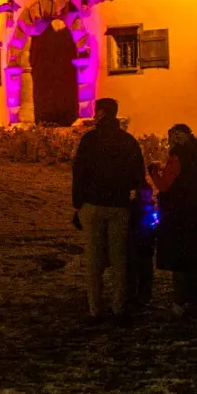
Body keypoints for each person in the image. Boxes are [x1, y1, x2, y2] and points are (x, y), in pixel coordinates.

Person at [70, 98, 145, 321]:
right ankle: (118, 305)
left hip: (92, 204)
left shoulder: (90, 140)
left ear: (101, 113)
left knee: (94, 259)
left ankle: (95, 307)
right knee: (119, 258)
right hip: (119, 205)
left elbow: (79, 172)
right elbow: (138, 175)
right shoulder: (128, 141)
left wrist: (78, 203)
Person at [149, 123, 197, 318]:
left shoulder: (177, 156)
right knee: (191, 258)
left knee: (178, 260)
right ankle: (193, 301)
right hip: (193, 210)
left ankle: (179, 302)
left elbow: (164, 185)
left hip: (176, 213)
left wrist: (153, 171)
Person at [125, 183, 157, 310]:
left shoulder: (151, 208)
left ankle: (144, 297)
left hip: (147, 245)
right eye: (143, 197)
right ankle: (131, 297)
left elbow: (154, 227)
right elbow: (133, 225)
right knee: (132, 272)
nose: (146, 200)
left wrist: (155, 225)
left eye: (148, 197)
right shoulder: (133, 210)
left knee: (146, 272)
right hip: (134, 244)